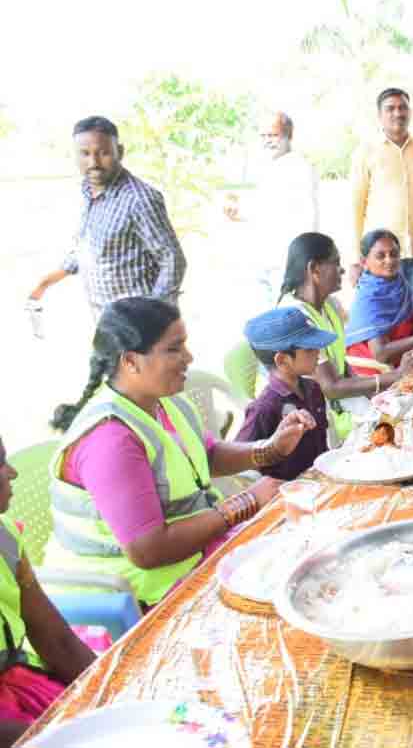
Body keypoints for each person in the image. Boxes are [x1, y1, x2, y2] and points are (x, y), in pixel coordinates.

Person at [45, 298, 317, 607]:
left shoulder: (162, 401)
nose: (189, 357)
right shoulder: (110, 439)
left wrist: (269, 449)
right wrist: (246, 502)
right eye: (174, 349)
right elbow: (148, 550)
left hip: (191, 557)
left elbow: (205, 457)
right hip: (133, 597)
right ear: (131, 361)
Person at [29, 117, 185, 319]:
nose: (93, 163)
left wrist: (151, 315)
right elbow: (88, 248)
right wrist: (45, 283)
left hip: (136, 323)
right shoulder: (89, 192)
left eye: (103, 153)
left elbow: (173, 260)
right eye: (85, 153)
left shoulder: (139, 199)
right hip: (106, 319)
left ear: (120, 152)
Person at [0, 436, 96, 745]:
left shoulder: (4, 537)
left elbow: (56, 640)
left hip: (22, 691)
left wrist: (108, 691)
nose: (12, 472)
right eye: (0, 463)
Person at [278, 232, 413, 442]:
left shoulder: (330, 305)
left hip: (335, 404)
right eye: (336, 263)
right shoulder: (296, 317)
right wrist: (395, 376)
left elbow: (341, 368)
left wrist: (377, 393)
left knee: (398, 417)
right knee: (391, 432)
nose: (343, 270)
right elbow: (330, 387)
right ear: (314, 269)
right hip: (307, 418)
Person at [350, 88, 413, 286]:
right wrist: (355, 257)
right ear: (379, 116)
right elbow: (356, 207)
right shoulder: (365, 152)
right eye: (390, 108)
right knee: (384, 306)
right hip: (381, 258)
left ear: (410, 112)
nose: (398, 113)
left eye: (403, 107)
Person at [223, 112, 319, 308]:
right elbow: (266, 210)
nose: (267, 141)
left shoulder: (299, 168)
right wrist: (237, 213)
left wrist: (304, 256)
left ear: (288, 136)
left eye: (273, 135)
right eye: (264, 136)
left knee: (288, 312)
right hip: (262, 257)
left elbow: (307, 216)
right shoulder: (266, 167)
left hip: (287, 260)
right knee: (265, 316)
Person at [236, 308, 334, 480]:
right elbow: (239, 460)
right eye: (309, 349)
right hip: (289, 491)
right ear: (282, 360)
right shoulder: (264, 407)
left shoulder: (313, 388)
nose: (318, 351)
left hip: (321, 479)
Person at [345, 229, 413, 376]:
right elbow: (381, 353)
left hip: (407, 360)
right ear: (364, 262)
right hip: (382, 373)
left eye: (394, 254)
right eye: (380, 256)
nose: (389, 260)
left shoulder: (397, 282)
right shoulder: (369, 297)